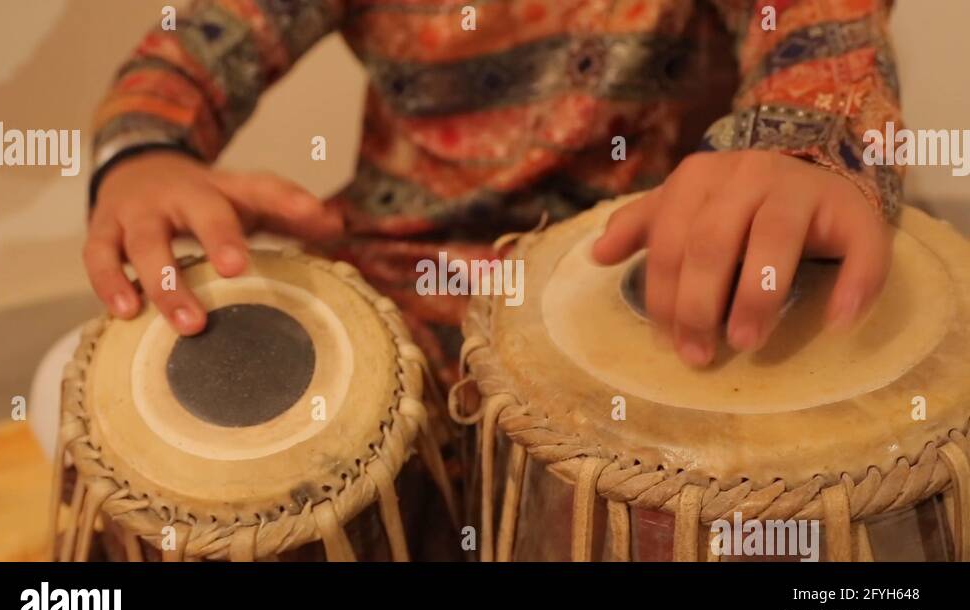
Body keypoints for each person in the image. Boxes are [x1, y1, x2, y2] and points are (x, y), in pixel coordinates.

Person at [84, 0, 902, 380]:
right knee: (106, 386)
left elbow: (818, 24)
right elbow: (186, 51)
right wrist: (143, 161)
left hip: (631, 286)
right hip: (400, 290)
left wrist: (798, 150)